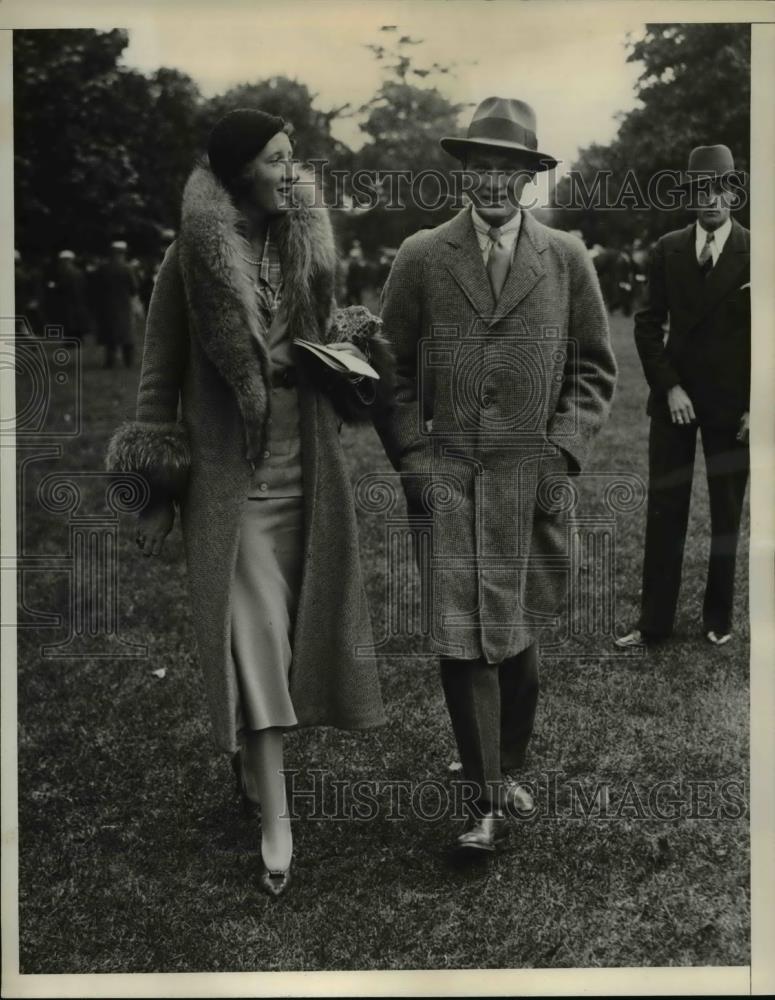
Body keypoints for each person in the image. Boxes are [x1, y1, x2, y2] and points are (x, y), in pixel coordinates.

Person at [106, 109, 392, 896]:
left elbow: (327, 331)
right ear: (239, 172)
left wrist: (350, 356)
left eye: (294, 158)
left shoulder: (304, 242)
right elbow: (158, 380)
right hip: (231, 488)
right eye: (275, 159)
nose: (291, 172)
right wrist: (153, 495)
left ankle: (250, 767)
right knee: (256, 641)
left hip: (309, 476)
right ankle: (278, 821)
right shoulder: (185, 262)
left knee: (295, 641)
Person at [377, 96, 617, 855]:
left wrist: (562, 450)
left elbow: (592, 368)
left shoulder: (566, 258)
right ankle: (484, 801)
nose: (492, 183)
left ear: (528, 179)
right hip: (448, 475)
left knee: (515, 636)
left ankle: (507, 762)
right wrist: (414, 458)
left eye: (507, 171)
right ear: (463, 174)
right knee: (461, 638)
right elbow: (387, 373)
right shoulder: (420, 255)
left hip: (529, 477)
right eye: (480, 168)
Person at [616, 145, 750, 650]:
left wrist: (757, 407)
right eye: (701, 189)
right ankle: (654, 623)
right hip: (675, 399)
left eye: (720, 188)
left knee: (726, 511)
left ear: (734, 191)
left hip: (732, 405)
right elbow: (648, 325)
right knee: (665, 507)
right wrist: (669, 386)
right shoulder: (668, 247)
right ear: (690, 195)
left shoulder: (756, 249)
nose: (711, 198)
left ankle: (718, 619)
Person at [94, 240, 140, 369]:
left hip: (107, 305)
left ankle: (110, 361)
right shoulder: (127, 268)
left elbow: (96, 288)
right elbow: (134, 287)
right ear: (123, 253)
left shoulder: (103, 268)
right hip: (125, 305)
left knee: (110, 334)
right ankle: (128, 362)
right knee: (127, 334)